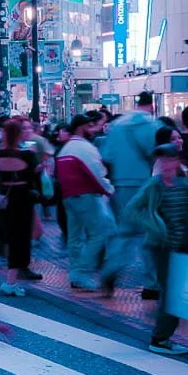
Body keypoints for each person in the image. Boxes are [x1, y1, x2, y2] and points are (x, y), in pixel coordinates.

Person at [119, 143, 188, 356]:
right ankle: (160, 338)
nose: (164, 164)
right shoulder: (154, 185)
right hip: (162, 247)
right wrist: (154, 224)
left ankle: (163, 334)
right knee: (172, 292)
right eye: (161, 160)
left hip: (184, 245)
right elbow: (131, 209)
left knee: (178, 292)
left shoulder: (184, 184)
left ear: (177, 161)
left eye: (168, 159)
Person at [102, 91, 161, 296]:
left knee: (124, 230)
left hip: (121, 184)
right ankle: (152, 283)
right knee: (149, 233)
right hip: (145, 184)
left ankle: (110, 269)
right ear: (151, 104)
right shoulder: (153, 125)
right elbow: (158, 154)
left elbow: (107, 156)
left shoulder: (118, 125)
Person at [57, 114, 119, 291]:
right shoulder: (85, 149)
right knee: (100, 233)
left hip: (70, 197)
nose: (94, 130)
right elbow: (97, 173)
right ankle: (81, 273)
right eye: (90, 126)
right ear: (81, 128)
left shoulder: (67, 148)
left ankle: (77, 273)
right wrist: (110, 190)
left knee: (75, 237)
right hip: (85, 197)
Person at [0, 117, 42, 296]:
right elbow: (36, 175)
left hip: (4, 198)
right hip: (23, 198)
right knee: (21, 238)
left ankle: (11, 278)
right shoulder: (28, 154)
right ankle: (10, 281)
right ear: (19, 134)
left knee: (11, 237)